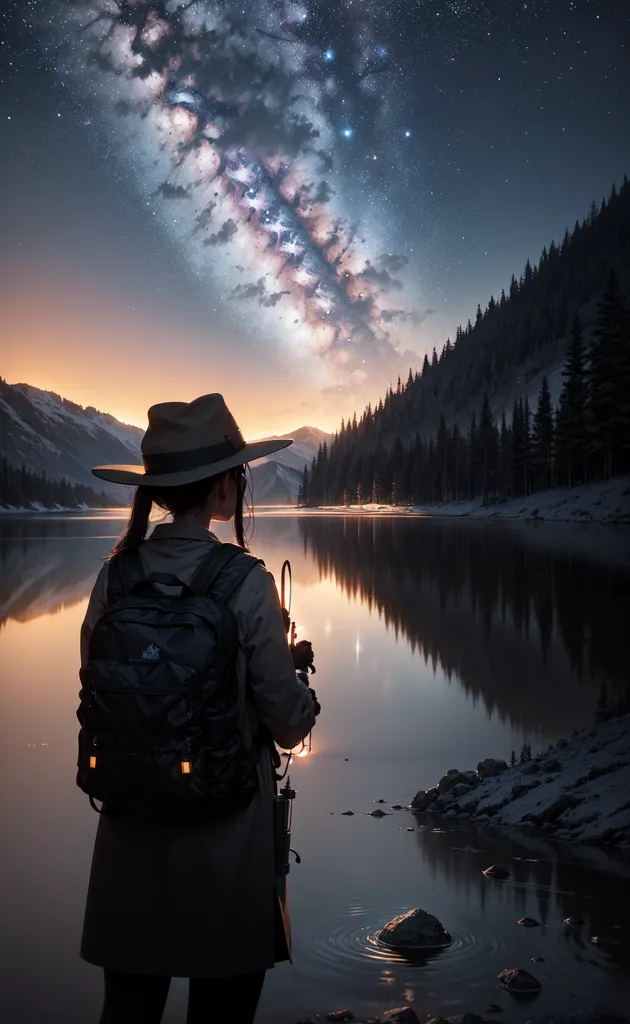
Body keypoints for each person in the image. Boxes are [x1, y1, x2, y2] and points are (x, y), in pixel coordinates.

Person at [78, 393, 318, 1024]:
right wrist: (301, 691)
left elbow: (95, 684)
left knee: (127, 1012)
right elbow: (288, 720)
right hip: (226, 841)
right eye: (237, 475)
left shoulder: (116, 576)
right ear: (220, 489)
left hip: (130, 836)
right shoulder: (244, 580)